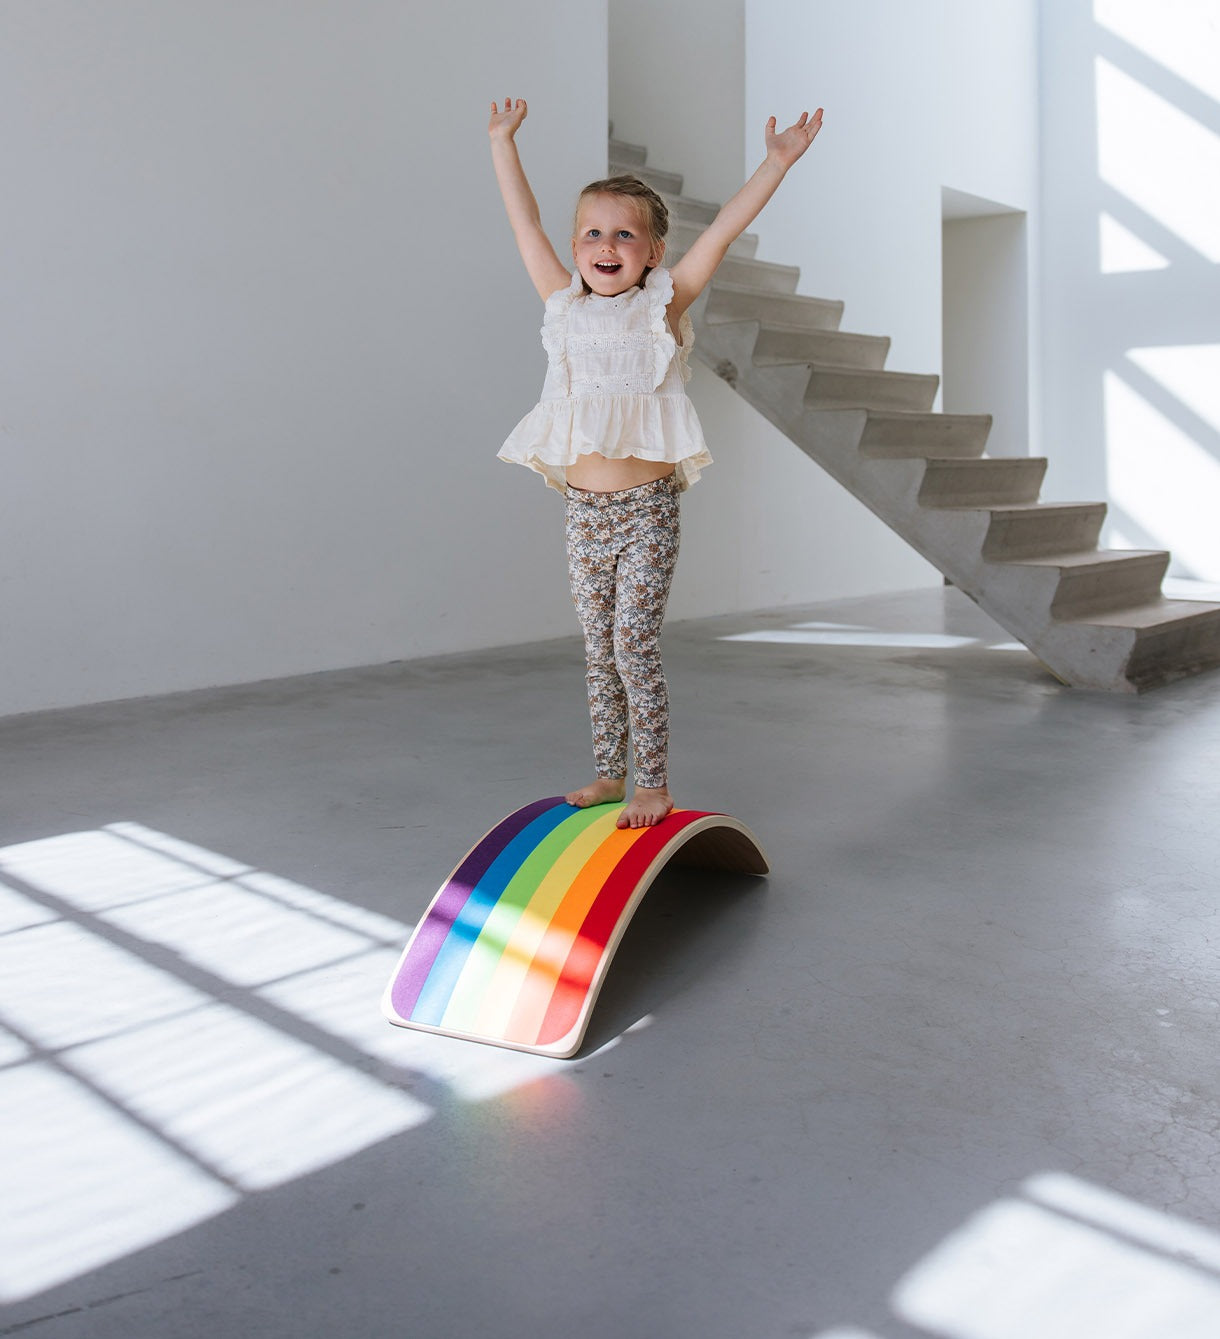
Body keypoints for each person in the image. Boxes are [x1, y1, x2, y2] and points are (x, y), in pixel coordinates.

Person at [489, 96, 823, 828]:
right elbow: (524, 224)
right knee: (597, 649)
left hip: (647, 508)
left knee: (634, 641)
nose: (605, 245)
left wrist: (775, 163)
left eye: (624, 235)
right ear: (577, 247)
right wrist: (501, 143)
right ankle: (610, 771)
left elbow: (725, 232)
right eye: (592, 234)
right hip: (583, 510)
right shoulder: (561, 305)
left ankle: (654, 782)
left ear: (652, 252)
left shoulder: (661, 310)